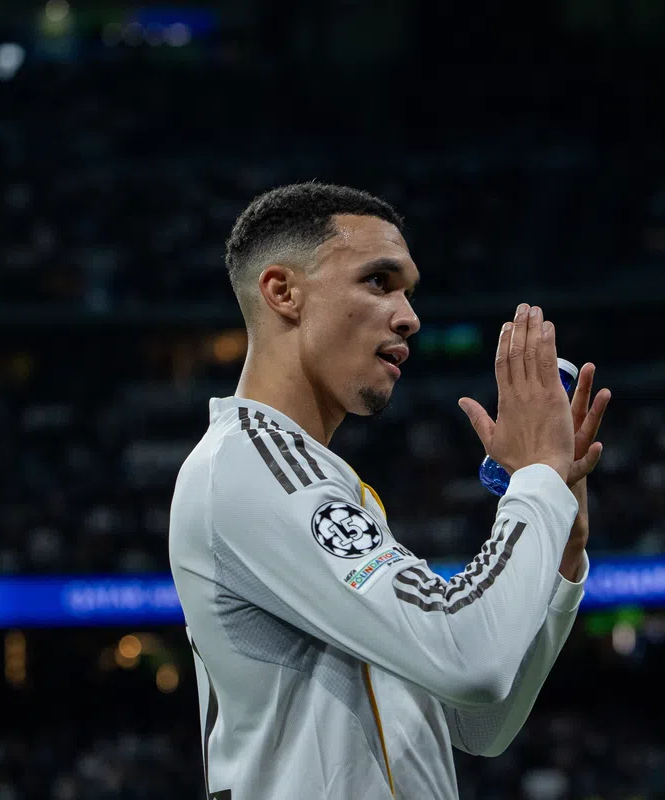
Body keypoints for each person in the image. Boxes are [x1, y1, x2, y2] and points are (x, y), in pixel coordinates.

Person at [169, 182, 610, 799]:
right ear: (283, 292)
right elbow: (471, 660)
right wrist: (536, 480)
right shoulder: (250, 463)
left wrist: (561, 553)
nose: (409, 317)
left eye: (408, 292)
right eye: (379, 282)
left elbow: (478, 720)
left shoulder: (314, 480)